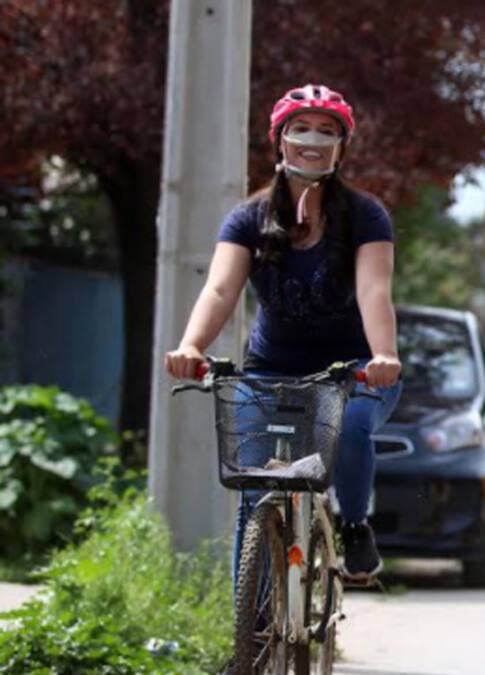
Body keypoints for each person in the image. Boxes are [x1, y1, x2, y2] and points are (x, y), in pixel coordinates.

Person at [164, 83, 403, 581]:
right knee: (255, 491)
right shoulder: (249, 218)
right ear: (280, 140)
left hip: (353, 370)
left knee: (354, 429)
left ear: (341, 146)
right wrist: (192, 345)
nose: (312, 141)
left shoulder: (364, 216)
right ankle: (249, 640)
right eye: (300, 129)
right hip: (271, 371)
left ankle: (354, 525)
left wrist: (383, 354)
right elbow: (220, 290)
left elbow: (373, 291)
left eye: (326, 131)